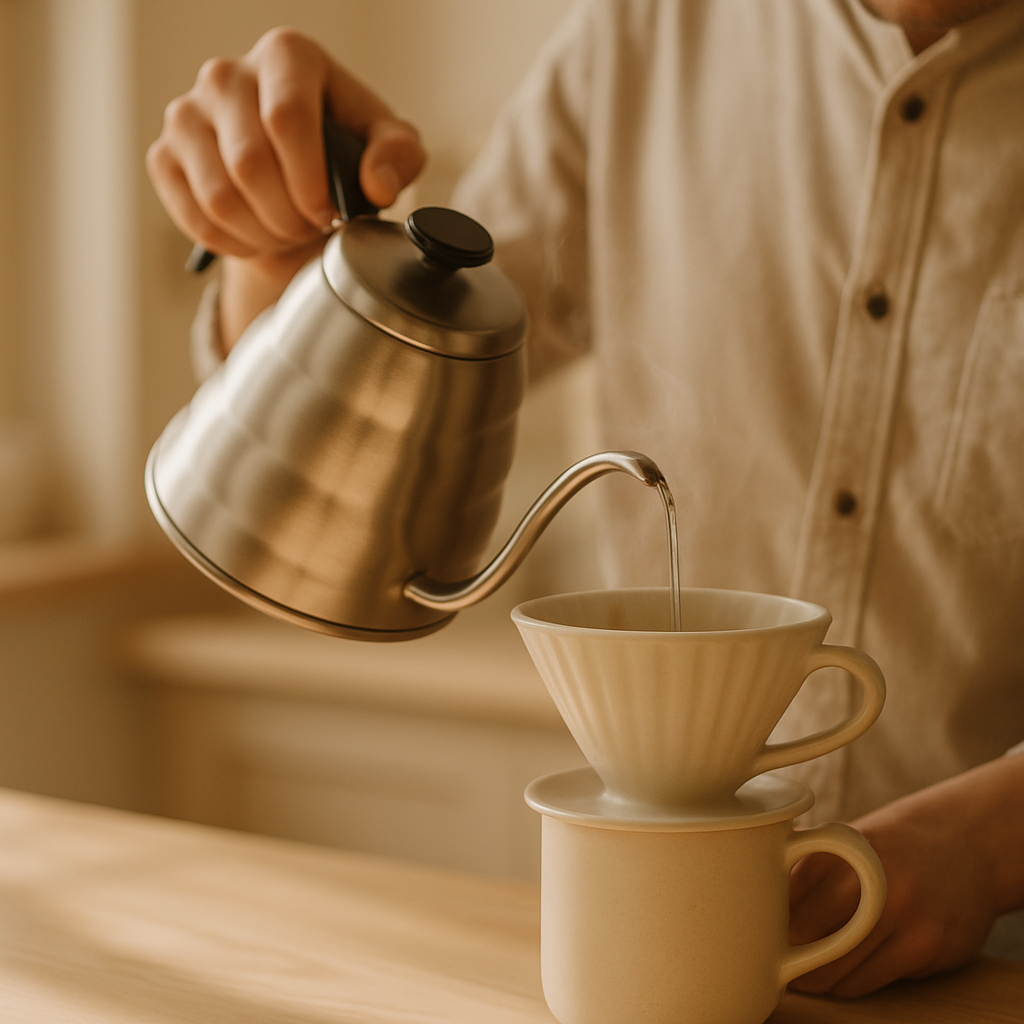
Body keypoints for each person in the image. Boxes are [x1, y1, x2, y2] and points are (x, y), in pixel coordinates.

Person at [146, 0, 1024, 998]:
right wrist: (275, 249)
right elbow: (409, 352)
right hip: (650, 949)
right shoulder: (642, 38)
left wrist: (989, 839)